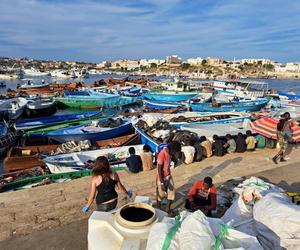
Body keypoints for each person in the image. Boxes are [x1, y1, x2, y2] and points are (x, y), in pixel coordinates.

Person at [156, 141, 182, 215]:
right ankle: (158, 208)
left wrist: (176, 157)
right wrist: (161, 183)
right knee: (160, 195)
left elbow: (175, 161)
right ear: (173, 150)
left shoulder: (170, 153)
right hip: (161, 178)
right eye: (176, 152)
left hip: (168, 176)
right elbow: (159, 170)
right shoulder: (162, 154)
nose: (176, 153)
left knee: (171, 193)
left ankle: (167, 209)